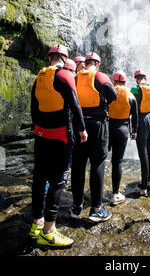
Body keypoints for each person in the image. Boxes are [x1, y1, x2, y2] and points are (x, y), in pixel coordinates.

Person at [29, 44, 87, 248]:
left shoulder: (39, 77)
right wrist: (82, 129)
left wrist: (38, 128)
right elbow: (75, 103)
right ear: (64, 58)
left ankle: (36, 222)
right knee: (58, 179)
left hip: (41, 134)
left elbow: (33, 107)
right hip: (61, 135)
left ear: (49, 56)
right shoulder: (64, 76)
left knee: (39, 177)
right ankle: (49, 230)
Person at [69, 52, 117, 222]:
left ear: (85, 62)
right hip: (97, 125)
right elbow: (114, 94)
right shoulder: (99, 75)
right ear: (98, 64)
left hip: (79, 124)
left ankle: (76, 206)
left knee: (78, 164)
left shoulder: (75, 77)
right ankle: (96, 208)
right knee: (97, 162)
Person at [108, 70, 138, 205]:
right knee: (117, 161)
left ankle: (93, 190)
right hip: (123, 129)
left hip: (107, 128)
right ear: (125, 82)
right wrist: (134, 132)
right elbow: (135, 116)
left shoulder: (108, 93)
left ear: (114, 82)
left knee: (99, 159)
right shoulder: (131, 96)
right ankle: (115, 194)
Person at [131, 70, 150, 197]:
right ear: (145, 78)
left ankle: (144, 187)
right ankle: (148, 181)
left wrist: (132, 128)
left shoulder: (135, 89)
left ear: (137, 79)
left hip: (141, 121)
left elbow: (132, 107)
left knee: (143, 153)